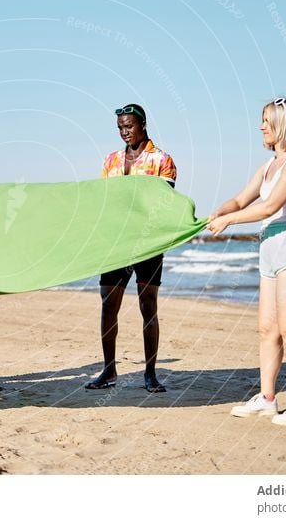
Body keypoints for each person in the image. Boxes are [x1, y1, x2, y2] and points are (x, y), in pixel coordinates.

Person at [208, 97, 286, 426]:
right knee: (267, 329)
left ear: (283, 126)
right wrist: (218, 213)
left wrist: (230, 222)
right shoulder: (268, 166)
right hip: (270, 244)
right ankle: (268, 399)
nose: (261, 126)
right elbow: (242, 199)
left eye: (267, 121)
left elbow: (271, 205)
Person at [85, 103, 177, 393]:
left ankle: (150, 374)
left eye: (129, 126)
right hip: (115, 243)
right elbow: (104, 201)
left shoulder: (162, 160)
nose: (125, 132)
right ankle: (109, 370)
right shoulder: (110, 161)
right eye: (120, 128)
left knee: (147, 306)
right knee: (108, 307)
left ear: (143, 124)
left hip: (148, 243)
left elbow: (162, 203)